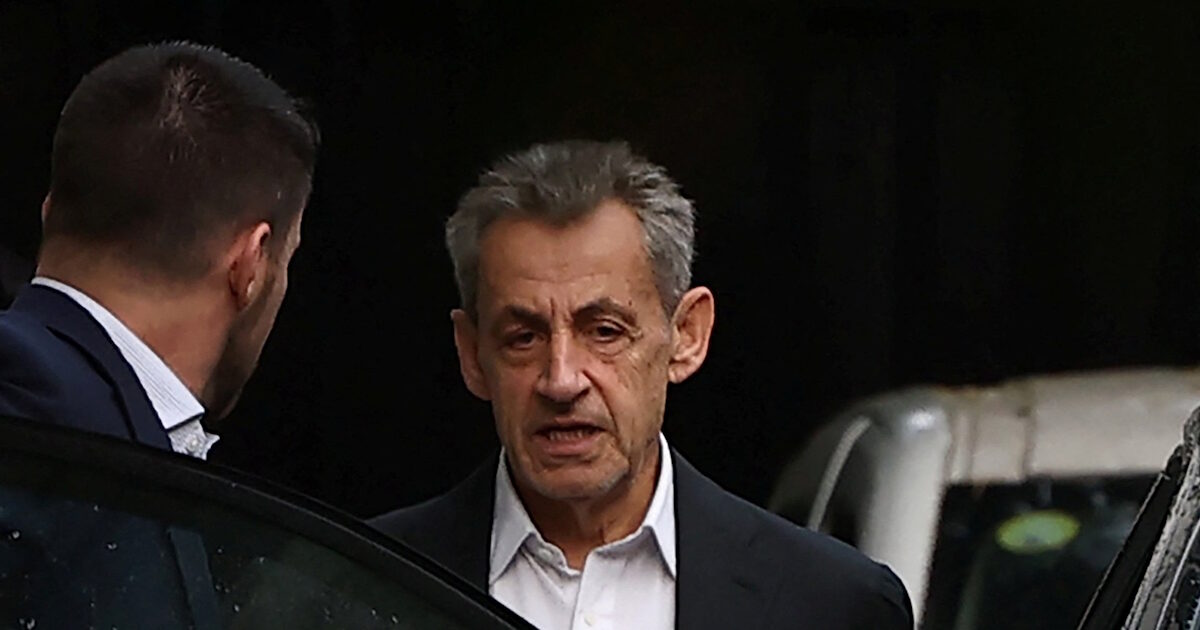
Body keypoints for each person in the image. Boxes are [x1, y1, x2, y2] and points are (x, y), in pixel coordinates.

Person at [370, 140, 913, 629]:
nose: (562, 380)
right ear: (471, 354)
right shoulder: (363, 585)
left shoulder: (831, 605)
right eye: (524, 338)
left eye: (604, 331)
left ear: (687, 336)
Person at [0, 41, 317, 629]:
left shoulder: (122, 445)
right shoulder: (26, 394)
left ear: (49, 213)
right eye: (287, 258)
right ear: (251, 265)